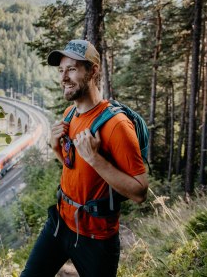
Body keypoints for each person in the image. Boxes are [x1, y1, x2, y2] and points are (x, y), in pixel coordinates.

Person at [21, 39, 149, 277]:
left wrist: (95, 158)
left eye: (72, 69)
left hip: (96, 238)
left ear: (93, 70)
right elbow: (75, 168)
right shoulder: (70, 114)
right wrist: (55, 148)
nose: (63, 77)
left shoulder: (116, 125)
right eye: (61, 70)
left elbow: (140, 192)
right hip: (60, 223)